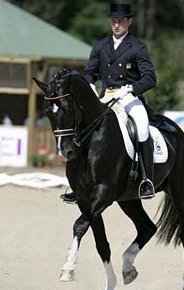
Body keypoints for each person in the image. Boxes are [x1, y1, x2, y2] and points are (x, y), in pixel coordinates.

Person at [63, 3, 156, 202]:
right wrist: (90, 86)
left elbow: (150, 78)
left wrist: (131, 88)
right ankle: (78, 182)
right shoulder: (100, 45)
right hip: (106, 96)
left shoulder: (137, 47)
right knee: (82, 126)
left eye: (121, 21)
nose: (117, 25)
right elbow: (90, 72)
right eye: (113, 21)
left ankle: (146, 180)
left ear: (129, 21)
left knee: (141, 128)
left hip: (129, 97)